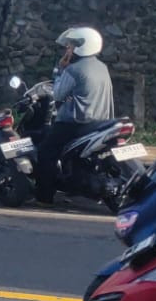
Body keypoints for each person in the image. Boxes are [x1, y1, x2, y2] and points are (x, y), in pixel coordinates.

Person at [34, 26, 114, 205]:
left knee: (46, 151)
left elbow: (57, 94)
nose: (67, 49)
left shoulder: (74, 69)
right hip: (100, 122)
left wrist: (60, 69)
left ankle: (44, 197)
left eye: (70, 46)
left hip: (75, 123)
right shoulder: (102, 67)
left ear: (81, 46)